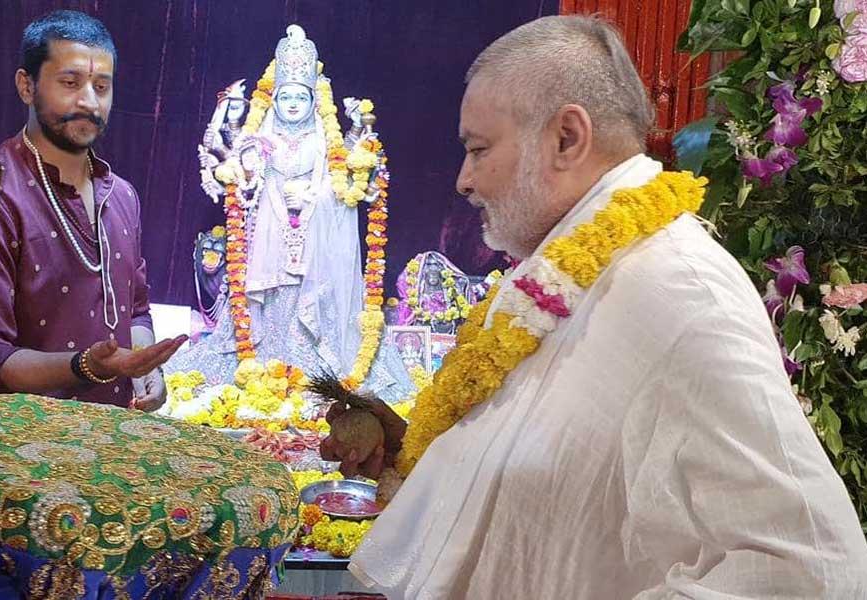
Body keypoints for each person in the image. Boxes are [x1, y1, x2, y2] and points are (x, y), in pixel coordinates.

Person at [319, 15, 867, 599]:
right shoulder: (555, 275)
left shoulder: (678, 289)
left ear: (567, 139)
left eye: (479, 149)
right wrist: (414, 453)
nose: (464, 180)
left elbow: (813, 570)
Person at [167, 25, 412, 401]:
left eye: (301, 96)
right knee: (268, 293)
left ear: (314, 102)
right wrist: (259, 178)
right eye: (286, 97)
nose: (294, 103)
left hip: (315, 227)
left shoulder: (324, 138)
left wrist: (316, 192)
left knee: (311, 295)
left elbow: (349, 186)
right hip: (269, 226)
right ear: (275, 99)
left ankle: (317, 366)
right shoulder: (259, 135)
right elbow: (240, 180)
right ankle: (259, 361)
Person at [0, 10, 185, 410]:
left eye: (102, 86)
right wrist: (85, 366)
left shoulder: (122, 196)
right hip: (21, 451)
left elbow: (135, 312)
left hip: (111, 441)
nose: (89, 101)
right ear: (26, 86)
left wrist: (145, 368)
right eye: (70, 83)